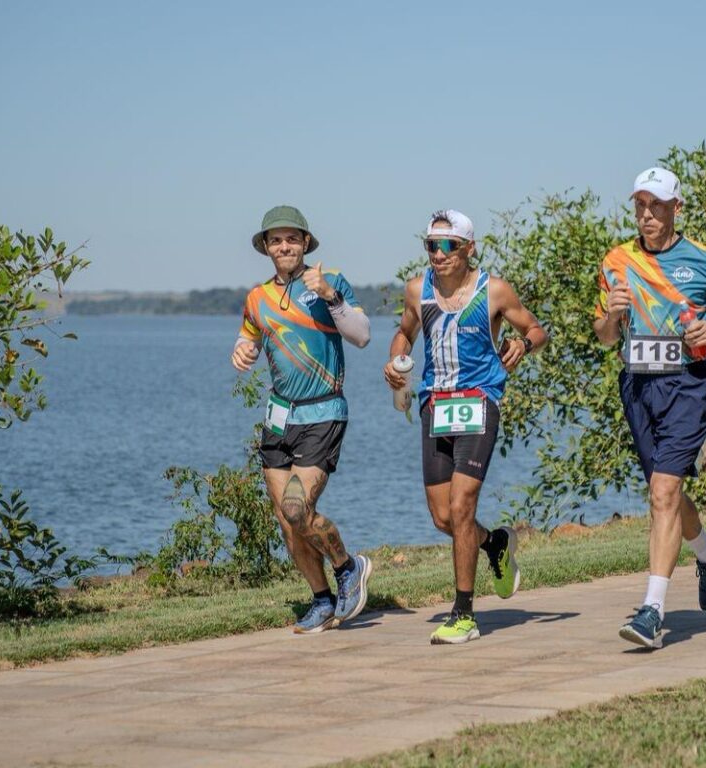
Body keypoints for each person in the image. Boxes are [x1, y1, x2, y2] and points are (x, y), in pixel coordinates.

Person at [593, 168, 706, 649]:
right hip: (637, 386)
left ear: (676, 208)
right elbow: (604, 337)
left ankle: (651, 611)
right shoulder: (616, 261)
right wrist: (612, 314)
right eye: (640, 205)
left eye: (657, 205)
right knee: (666, 491)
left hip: (687, 384)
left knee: (663, 492)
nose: (647, 215)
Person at [383, 209, 548, 644]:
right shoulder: (417, 290)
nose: (438, 254)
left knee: (461, 507)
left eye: (448, 246)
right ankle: (493, 544)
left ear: (469, 248)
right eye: (431, 246)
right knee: (444, 518)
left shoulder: (493, 290)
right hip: (435, 406)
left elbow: (536, 329)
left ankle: (464, 614)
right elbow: (405, 333)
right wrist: (396, 360)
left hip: (479, 401)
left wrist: (522, 344)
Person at [232, 205, 373, 634]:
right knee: (286, 521)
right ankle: (322, 600)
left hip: (323, 412)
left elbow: (362, 335)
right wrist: (241, 350)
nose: (285, 246)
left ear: (306, 243)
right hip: (278, 419)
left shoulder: (330, 282)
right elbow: (248, 336)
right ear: (266, 248)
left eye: (292, 238)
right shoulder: (257, 298)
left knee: (297, 509)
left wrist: (331, 296)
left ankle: (348, 567)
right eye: (276, 240)